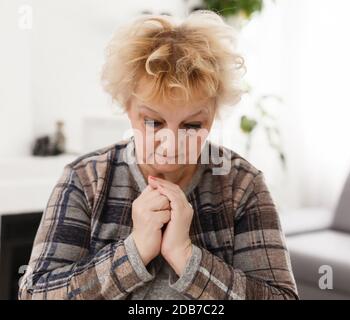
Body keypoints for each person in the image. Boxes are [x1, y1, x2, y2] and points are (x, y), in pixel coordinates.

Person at [18, 10, 298, 300]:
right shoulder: (86, 178)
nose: (170, 145)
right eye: (153, 122)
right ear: (127, 108)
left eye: (192, 125)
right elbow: (34, 295)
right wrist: (134, 252)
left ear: (213, 116)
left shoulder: (242, 185)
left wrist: (188, 258)